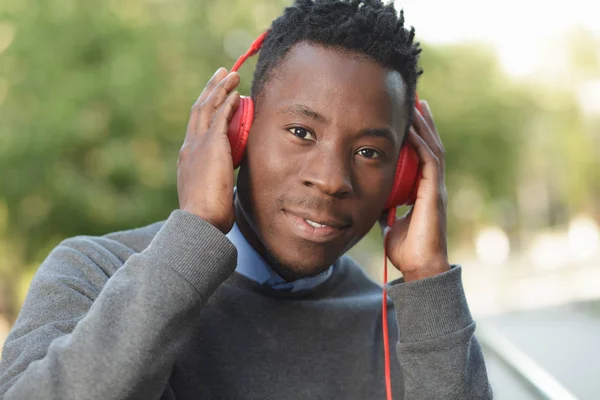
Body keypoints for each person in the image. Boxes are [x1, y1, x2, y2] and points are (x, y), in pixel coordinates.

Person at [0, 0, 492, 399]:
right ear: (237, 131)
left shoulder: (404, 335)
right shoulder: (91, 271)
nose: (330, 179)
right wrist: (193, 233)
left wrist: (430, 279)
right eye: (301, 131)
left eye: (368, 151)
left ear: (404, 176)